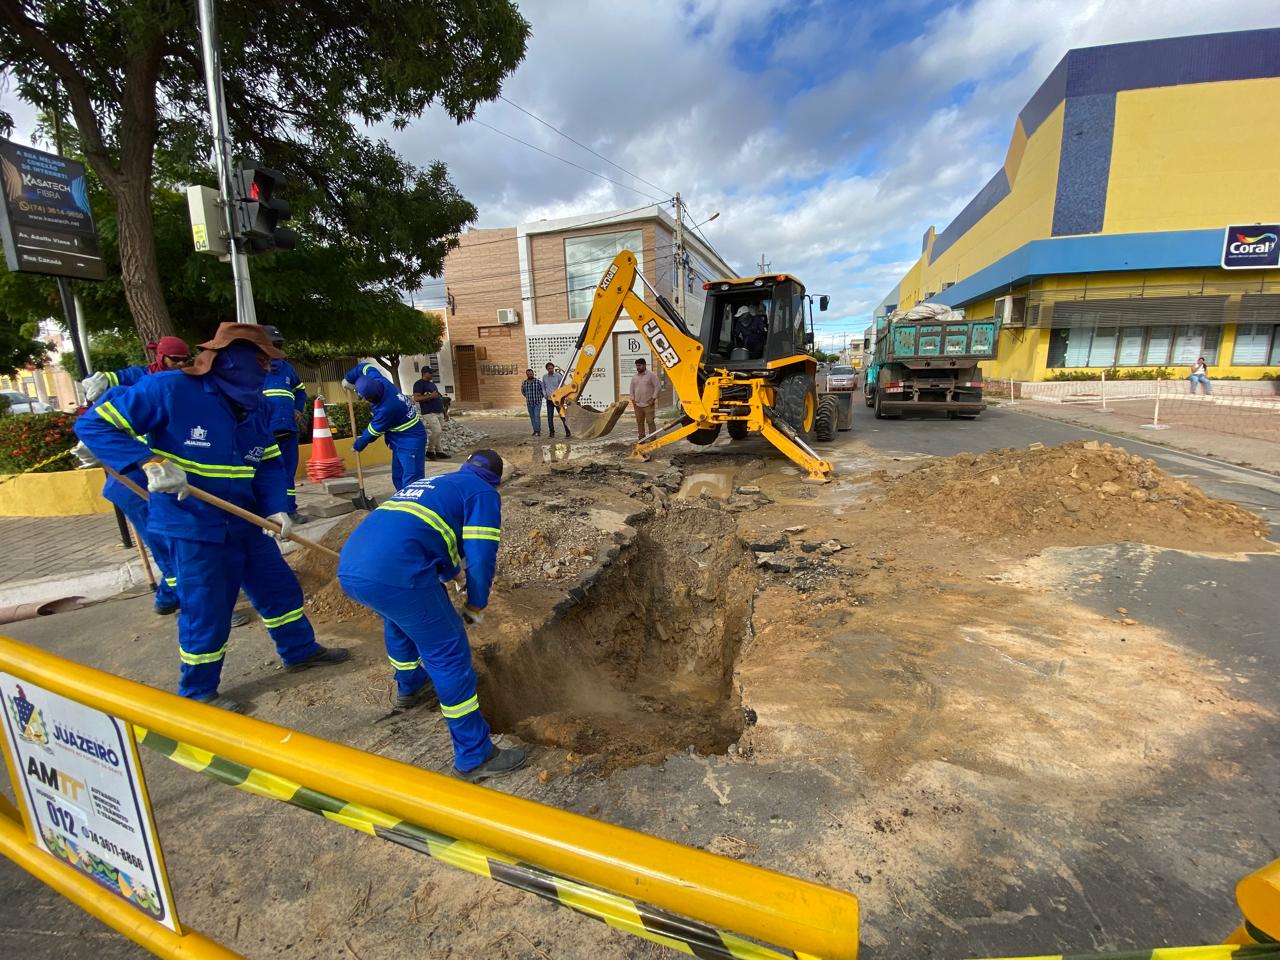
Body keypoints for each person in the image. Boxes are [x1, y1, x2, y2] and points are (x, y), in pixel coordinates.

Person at [74, 323, 350, 712]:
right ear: (233, 359)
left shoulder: (259, 405)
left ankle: (299, 650)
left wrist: (276, 505)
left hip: (247, 521)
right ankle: (199, 691)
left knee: (280, 590)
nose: (268, 369)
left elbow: (269, 461)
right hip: (194, 524)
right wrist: (148, 461)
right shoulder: (170, 390)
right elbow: (94, 424)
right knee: (207, 608)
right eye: (261, 360)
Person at [337, 450, 527, 782]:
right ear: (497, 481)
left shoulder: (436, 483)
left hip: (353, 568)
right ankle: (474, 755)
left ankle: (410, 686)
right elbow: (481, 557)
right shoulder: (483, 494)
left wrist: (452, 573)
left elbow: (431, 536)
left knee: (398, 618)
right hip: (397, 572)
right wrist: (476, 604)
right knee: (448, 650)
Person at [342, 362, 427, 490]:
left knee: (412, 481)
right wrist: (348, 379)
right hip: (398, 439)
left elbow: (373, 432)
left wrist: (358, 444)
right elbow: (365, 367)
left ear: (372, 398)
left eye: (365, 398)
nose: (364, 401)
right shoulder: (377, 379)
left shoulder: (387, 408)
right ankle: (402, 503)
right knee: (398, 476)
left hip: (411, 441)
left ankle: (412, 507)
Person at [260, 325, 308, 519]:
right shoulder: (256, 368)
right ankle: (271, 511)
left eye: (279, 344)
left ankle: (290, 509)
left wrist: (298, 409)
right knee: (268, 475)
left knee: (288, 474)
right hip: (266, 433)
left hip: (288, 430)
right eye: (273, 344)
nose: (277, 348)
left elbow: (301, 391)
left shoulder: (288, 369)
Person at [81, 336, 191, 401]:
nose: (181, 363)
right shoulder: (141, 374)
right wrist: (99, 380)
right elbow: (119, 377)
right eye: (175, 359)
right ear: (162, 357)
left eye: (185, 359)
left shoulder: (191, 376)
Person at [411, 366, 448, 461]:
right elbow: (416, 398)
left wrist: (445, 412)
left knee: (440, 432)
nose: (432, 375)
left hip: (439, 411)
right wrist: (430, 396)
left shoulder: (432, 384)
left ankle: (439, 451)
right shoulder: (418, 384)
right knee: (437, 431)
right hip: (429, 412)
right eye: (430, 373)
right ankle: (430, 451)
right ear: (424, 373)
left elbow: (439, 398)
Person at [629, 357, 661, 439]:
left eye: (639, 365)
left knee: (650, 422)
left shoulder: (651, 375)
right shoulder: (634, 377)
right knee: (639, 422)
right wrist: (633, 400)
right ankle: (641, 437)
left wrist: (653, 399)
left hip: (648, 404)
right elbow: (631, 389)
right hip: (637, 405)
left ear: (644, 365)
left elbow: (657, 387)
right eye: (637, 366)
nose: (637, 367)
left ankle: (653, 438)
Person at [540, 362, 571, 438]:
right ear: (546, 369)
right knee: (550, 417)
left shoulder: (558, 376)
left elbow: (563, 385)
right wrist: (544, 394)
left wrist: (563, 395)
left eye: (551, 368)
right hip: (549, 400)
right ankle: (552, 433)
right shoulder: (544, 377)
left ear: (553, 368)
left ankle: (568, 432)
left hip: (558, 400)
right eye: (549, 368)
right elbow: (543, 386)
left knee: (562, 416)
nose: (550, 369)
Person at [520, 368, 544, 436]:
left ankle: (538, 431)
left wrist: (540, 397)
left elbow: (543, 391)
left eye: (531, 374)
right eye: (528, 374)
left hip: (537, 402)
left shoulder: (538, 382)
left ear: (533, 374)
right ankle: (535, 430)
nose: (530, 375)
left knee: (537, 416)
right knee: (532, 417)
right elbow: (523, 391)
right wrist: (527, 397)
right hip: (529, 403)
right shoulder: (524, 383)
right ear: (526, 374)